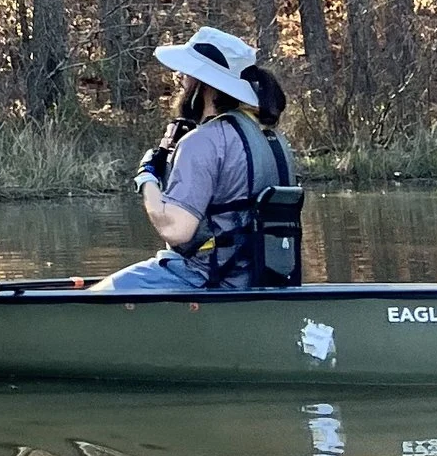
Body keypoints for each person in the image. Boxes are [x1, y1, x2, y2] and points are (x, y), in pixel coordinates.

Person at [100, 28, 298, 294]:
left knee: (98, 295)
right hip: (262, 279)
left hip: (206, 279)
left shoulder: (201, 142)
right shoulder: (273, 139)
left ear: (203, 84)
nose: (180, 79)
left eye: (185, 74)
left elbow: (176, 229)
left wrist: (147, 176)